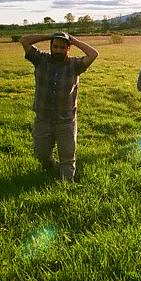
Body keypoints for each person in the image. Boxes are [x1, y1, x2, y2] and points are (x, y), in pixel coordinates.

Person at [20, 32, 98, 181]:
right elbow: (24, 40)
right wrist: (48, 36)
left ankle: (67, 184)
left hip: (66, 120)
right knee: (41, 154)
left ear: (68, 49)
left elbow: (93, 54)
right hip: (43, 119)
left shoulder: (75, 65)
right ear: (50, 46)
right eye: (55, 46)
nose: (58, 50)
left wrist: (74, 40)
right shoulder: (40, 59)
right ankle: (50, 167)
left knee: (68, 157)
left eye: (62, 47)